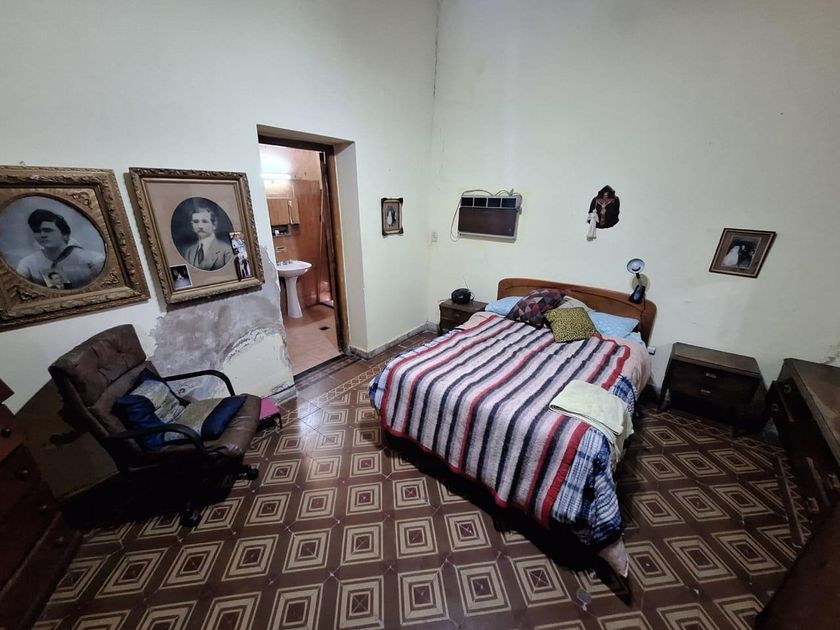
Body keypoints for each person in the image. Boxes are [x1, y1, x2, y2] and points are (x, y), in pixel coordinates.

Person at [16, 209, 105, 289]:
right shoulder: (27, 264)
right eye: (37, 231)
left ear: (65, 234)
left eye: (48, 230)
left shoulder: (93, 260)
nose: (42, 235)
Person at [183, 205, 233, 271]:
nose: (200, 226)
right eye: (196, 222)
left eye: (204, 221)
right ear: (192, 225)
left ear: (214, 225)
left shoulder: (227, 250)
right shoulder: (189, 252)